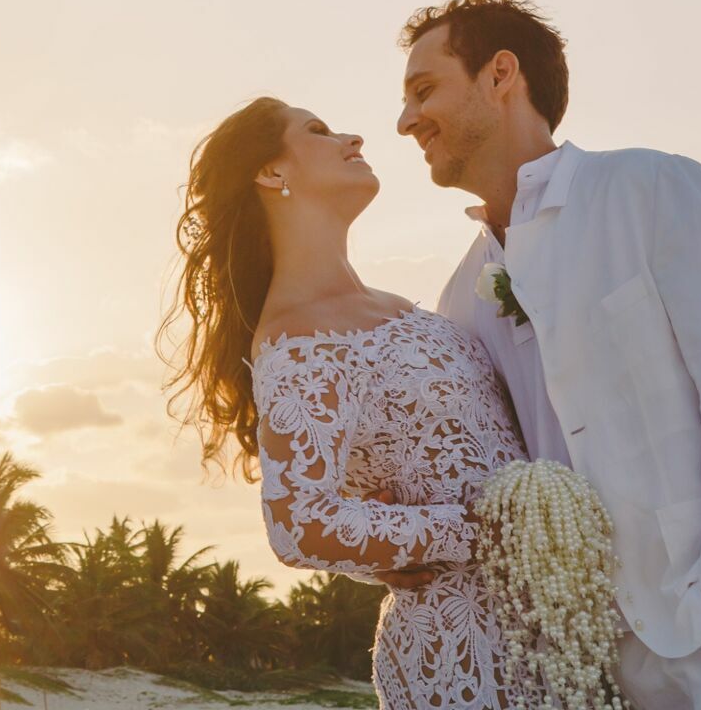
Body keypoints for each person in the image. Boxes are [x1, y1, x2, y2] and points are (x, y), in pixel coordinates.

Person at [384, 0, 701, 710]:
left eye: (424, 88)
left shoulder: (654, 188)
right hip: (589, 661)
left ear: (501, 75)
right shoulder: (458, 295)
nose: (406, 119)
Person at [164, 97, 526, 708]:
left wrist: (388, 550)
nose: (352, 136)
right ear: (271, 173)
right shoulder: (298, 338)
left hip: (546, 628)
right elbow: (299, 524)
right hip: (459, 652)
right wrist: (482, 533)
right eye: (318, 131)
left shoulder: (399, 305)